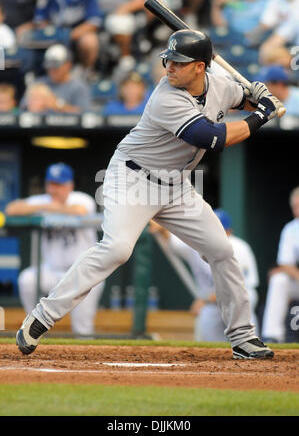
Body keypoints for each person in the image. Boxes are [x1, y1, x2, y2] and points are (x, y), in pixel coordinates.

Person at [15, 28, 283, 359]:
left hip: (176, 185)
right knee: (116, 248)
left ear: (201, 67)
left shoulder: (222, 85)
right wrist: (262, 114)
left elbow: (239, 98)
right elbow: (213, 138)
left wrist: (256, 95)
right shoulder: (166, 97)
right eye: (167, 60)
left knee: (222, 250)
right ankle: (41, 316)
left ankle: (243, 337)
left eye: (178, 62)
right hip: (132, 179)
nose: (168, 67)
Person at [6, 162, 104, 336]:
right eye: (51, 184)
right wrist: (45, 206)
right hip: (51, 273)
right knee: (27, 279)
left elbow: (80, 211)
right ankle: (35, 331)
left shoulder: (81, 198)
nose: (54, 189)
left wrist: (49, 208)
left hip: (83, 275)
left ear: (70, 185)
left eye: (59, 185)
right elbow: (12, 209)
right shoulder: (42, 201)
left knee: (83, 330)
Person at [169, 209, 259, 342]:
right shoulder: (200, 245)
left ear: (228, 231)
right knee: (207, 331)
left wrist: (204, 300)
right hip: (212, 303)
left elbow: (234, 288)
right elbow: (175, 241)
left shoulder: (238, 247)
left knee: (246, 339)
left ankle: (249, 344)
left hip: (240, 298)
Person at [34, 0, 102, 73]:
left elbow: (93, 22)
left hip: (77, 33)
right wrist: (52, 33)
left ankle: (86, 71)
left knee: (89, 41)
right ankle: (41, 74)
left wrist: (68, 35)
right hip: (54, 32)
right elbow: (40, 20)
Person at [262, 186, 299, 343]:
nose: (297, 210)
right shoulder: (291, 228)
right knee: (279, 280)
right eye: (295, 207)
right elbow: (285, 264)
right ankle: (272, 336)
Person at [92, 0, 146, 72]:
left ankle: (125, 57)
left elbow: (141, 0)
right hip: (100, 14)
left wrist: (123, 9)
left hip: (122, 13)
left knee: (119, 23)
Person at [21, 43, 91, 113]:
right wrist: (34, 103)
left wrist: (57, 105)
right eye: (49, 67)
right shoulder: (39, 83)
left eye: (56, 67)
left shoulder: (78, 87)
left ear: (68, 65)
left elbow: (84, 114)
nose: (52, 70)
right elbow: (22, 108)